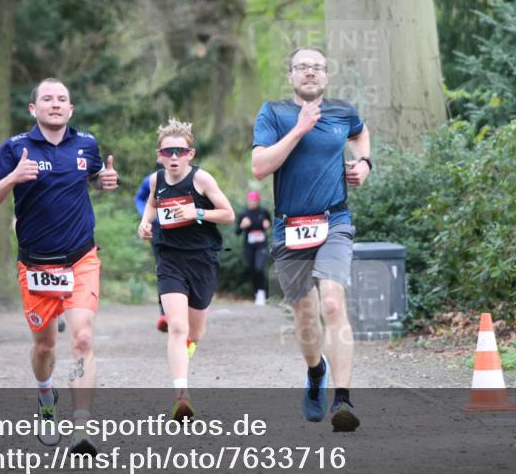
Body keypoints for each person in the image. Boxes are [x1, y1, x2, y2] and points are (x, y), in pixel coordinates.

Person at [0, 77, 119, 455]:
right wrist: (13, 177)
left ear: (70, 109)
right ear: (33, 108)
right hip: (37, 265)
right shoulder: (15, 148)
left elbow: (92, 176)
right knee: (44, 347)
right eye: (47, 99)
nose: (55, 104)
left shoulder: (86, 144)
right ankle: (45, 395)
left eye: (62, 99)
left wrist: (104, 180)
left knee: (83, 337)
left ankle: (82, 427)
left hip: (81, 258)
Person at [251, 46, 372, 433]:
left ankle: (343, 399)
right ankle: (316, 371)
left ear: (326, 76)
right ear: (290, 75)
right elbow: (259, 167)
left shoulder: (342, 111)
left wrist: (364, 163)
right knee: (305, 313)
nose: (310, 72)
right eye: (302, 67)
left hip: (334, 220)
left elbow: (361, 133)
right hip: (290, 226)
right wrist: (300, 129)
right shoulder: (273, 113)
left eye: (317, 67)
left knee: (333, 302)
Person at [137, 118, 234, 421]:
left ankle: (187, 345)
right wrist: (144, 222)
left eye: (180, 151)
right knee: (177, 327)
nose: (174, 157)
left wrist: (197, 212)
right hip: (170, 259)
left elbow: (228, 214)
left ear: (190, 154)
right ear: (159, 156)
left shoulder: (202, 179)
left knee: (195, 332)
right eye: (168, 152)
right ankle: (182, 395)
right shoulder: (156, 180)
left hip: (202, 259)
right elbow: (152, 206)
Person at [135, 167, 168, 332]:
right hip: (158, 230)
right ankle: (165, 314)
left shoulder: (195, 178)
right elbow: (140, 198)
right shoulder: (151, 179)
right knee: (164, 266)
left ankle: (188, 307)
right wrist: (147, 218)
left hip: (186, 231)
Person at [235, 191, 272, 305]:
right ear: (247, 201)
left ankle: (261, 293)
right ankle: (257, 292)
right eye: (250, 200)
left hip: (262, 246)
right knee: (252, 269)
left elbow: (270, 224)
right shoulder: (243, 214)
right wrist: (242, 226)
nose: (251, 202)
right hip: (249, 247)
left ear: (257, 201)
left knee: (259, 268)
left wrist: (268, 225)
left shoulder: (264, 212)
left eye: (254, 200)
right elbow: (237, 232)